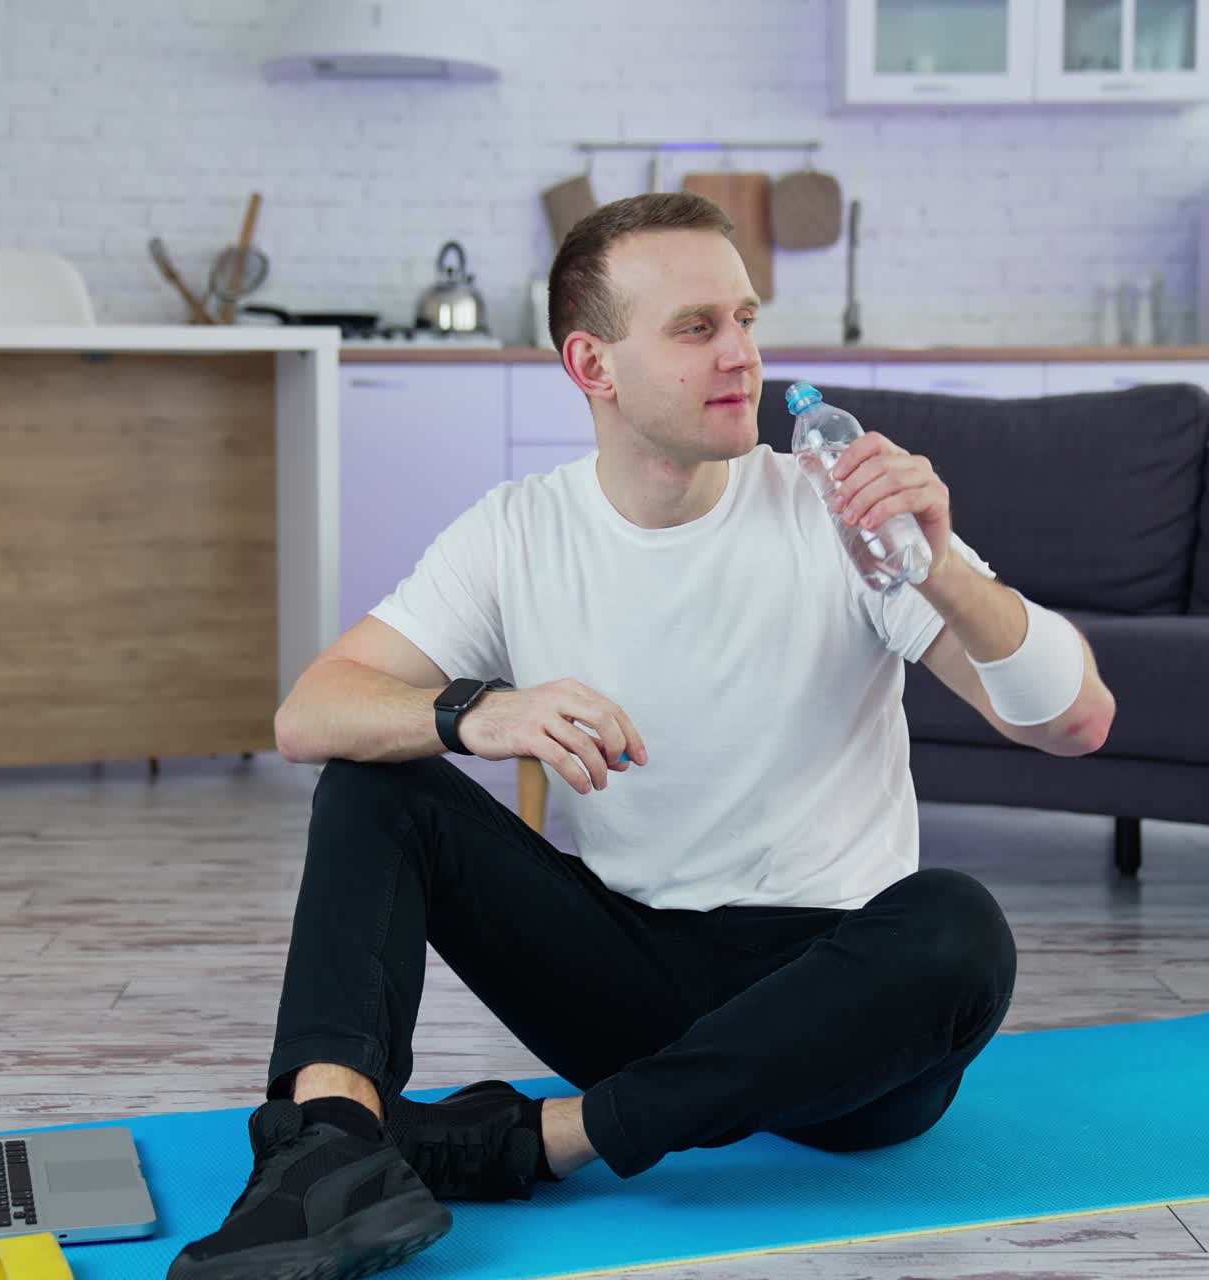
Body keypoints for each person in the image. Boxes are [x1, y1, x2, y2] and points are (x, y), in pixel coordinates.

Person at [168, 193, 1116, 1280]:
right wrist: (481, 710)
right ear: (591, 363)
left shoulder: (835, 514)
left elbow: (1073, 719)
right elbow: (309, 711)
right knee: (376, 781)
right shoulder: (518, 527)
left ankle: (543, 1139)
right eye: (695, 327)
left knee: (958, 924)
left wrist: (938, 560)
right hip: (630, 979)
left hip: (844, 1014)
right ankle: (328, 1151)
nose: (741, 355)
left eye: (746, 319)